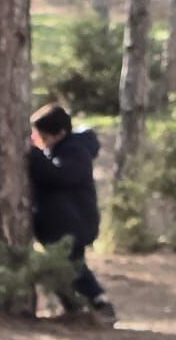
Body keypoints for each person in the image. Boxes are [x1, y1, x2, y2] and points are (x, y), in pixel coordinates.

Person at [27, 104, 116, 327]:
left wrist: (34, 156)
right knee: (65, 268)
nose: (41, 141)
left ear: (60, 134)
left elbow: (58, 176)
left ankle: (99, 302)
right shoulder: (60, 150)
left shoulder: (75, 152)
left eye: (44, 137)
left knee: (74, 266)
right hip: (64, 224)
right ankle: (77, 306)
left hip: (73, 224)